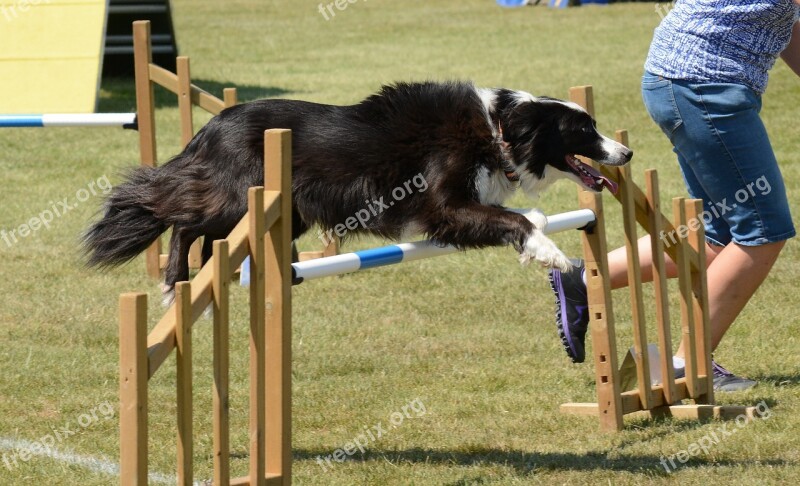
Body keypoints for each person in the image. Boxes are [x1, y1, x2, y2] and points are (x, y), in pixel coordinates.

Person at [549, 0, 800, 392]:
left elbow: (785, 24)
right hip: (705, 86)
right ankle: (685, 364)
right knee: (763, 232)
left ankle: (584, 277)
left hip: (685, 80)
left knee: (719, 236)